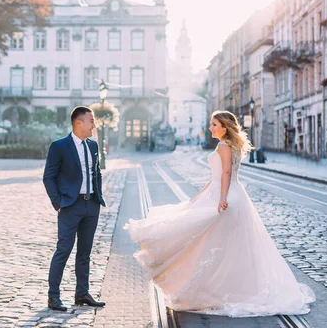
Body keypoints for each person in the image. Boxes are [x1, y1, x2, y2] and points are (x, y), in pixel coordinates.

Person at [124, 110, 315, 317]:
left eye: (214, 124)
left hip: (226, 194)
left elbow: (225, 173)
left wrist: (222, 198)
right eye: (211, 124)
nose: (210, 128)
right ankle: (217, 289)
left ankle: (215, 291)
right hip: (227, 192)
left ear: (224, 127)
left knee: (211, 240)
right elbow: (216, 176)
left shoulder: (224, 146)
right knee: (222, 244)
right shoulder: (228, 145)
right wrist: (200, 195)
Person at [43, 106, 107, 312]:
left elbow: (95, 173)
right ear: (79, 123)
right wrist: (58, 202)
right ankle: (53, 297)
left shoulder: (93, 145)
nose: (94, 125)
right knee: (63, 250)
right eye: (91, 121)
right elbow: (48, 177)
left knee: (85, 253)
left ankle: (82, 293)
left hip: (91, 204)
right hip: (70, 206)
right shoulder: (59, 146)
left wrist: (98, 196)